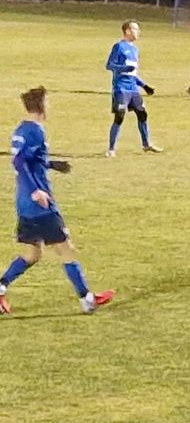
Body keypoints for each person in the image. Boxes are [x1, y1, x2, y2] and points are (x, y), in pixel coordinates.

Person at [0, 87, 114, 315]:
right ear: (42, 105)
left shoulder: (21, 129)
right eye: (48, 102)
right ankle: (87, 299)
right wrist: (36, 191)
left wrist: (52, 164)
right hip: (40, 206)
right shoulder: (36, 131)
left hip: (24, 204)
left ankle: (1, 286)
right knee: (66, 250)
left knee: (32, 254)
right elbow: (19, 161)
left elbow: (29, 159)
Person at [105, 19, 162, 157]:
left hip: (133, 89)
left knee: (142, 114)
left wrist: (144, 86)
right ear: (128, 31)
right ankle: (111, 149)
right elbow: (109, 65)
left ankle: (146, 144)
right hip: (121, 88)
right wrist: (123, 68)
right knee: (119, 116)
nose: (138, 32)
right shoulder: (119, 47)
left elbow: (133, 74)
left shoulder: (135, 50)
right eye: (135, 29)